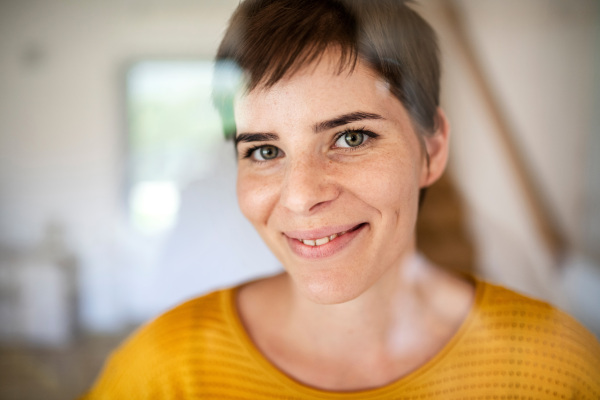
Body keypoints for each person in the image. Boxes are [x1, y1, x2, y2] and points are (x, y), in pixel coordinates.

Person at [83, 0, 600, 398]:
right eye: (264, 149)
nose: (302, 195)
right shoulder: (164, 372)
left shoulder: (553, 368)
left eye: (351, 137)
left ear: (432, 148)